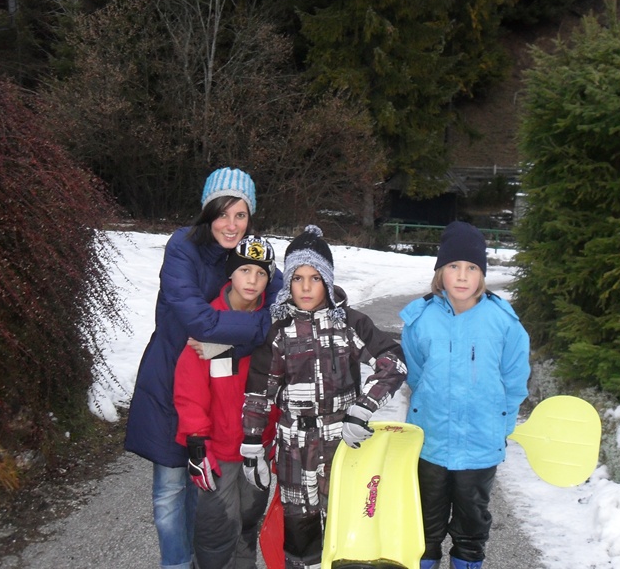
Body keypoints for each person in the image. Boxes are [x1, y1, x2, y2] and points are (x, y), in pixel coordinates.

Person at [124, 167, 283, 569]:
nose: (231, 225)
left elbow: (283, 307)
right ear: (207, 211)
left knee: (206, 487)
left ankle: (202, 561)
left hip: (216, 389)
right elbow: (199, 322)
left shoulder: (247, 253)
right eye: (222, 213)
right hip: (169, 380)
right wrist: (258, 330)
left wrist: (241, 337)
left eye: (240, 215)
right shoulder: (183, 247)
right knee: (170, 490)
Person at [240, 225, 408, 569]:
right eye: (297, 278)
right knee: (300, 535)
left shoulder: (350, 324)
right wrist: (252, 445)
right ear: (287, 283)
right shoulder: (278, 331)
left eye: (315, 278)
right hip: (294, 449)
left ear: (327, 281)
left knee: (345, 529)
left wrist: (362, 409)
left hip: (342, 447)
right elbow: (259, 392)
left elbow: (394, 363)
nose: (305, 287)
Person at [399, 221, 530, 569]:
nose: (461, 276)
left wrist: (500, 426)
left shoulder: (503, 323)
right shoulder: (420, 320)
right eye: (453, 266)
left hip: (480, 445)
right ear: (440, 271)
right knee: (423, 526)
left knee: (472, 526)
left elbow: (514, 380)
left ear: (482, 274)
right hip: (430, 443)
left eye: (471, 267)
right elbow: (415, 374)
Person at [173, 235, 280, 569]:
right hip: (219, 452)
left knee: (248, 522)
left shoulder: (273, 324)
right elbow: (189, 388)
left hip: (257, 448)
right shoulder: (208, 321)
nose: (252, 280)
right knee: (216, 529)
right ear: (230, 273)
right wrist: (196, 439)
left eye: (261, 273)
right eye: (245, 270)